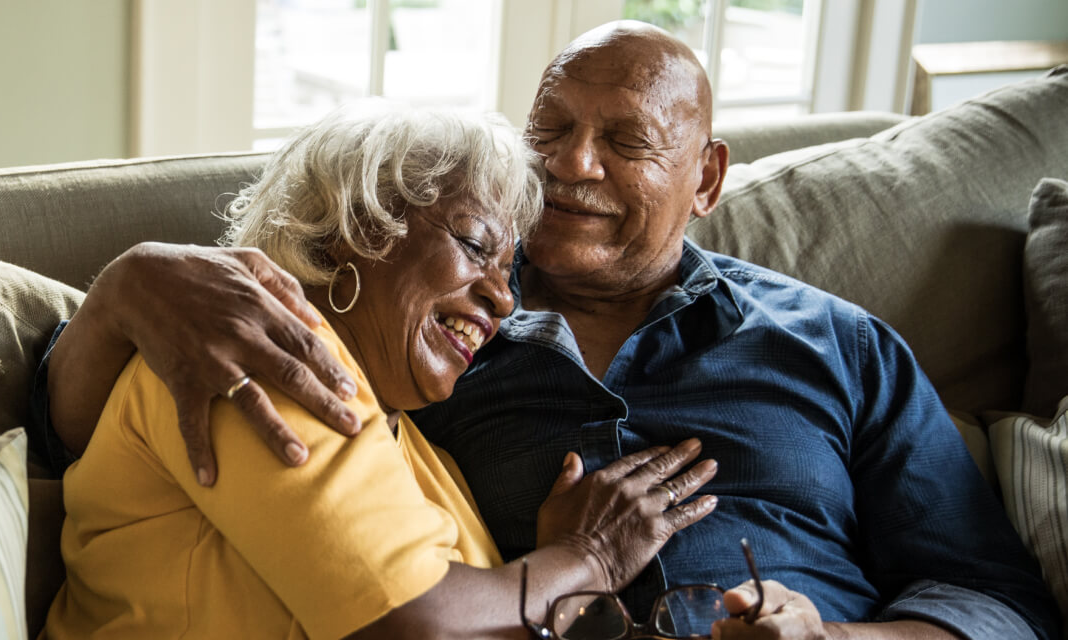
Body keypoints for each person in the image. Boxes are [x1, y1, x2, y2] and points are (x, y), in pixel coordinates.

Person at [34, 21, 1061, 640]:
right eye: (552, 131)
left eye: (626, 140)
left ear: (706, 177)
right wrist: (125, 289)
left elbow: (998, 600)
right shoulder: (411, 338)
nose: (572, 166)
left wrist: (827, 635)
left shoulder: (839, 345)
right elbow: (76, 425)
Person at [40, 101, 724, 639]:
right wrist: (587, 558)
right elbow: (416, 623)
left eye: (508, 272)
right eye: (474, 245)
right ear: (357, 228)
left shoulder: (429, 460)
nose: (504, 297)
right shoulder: (252, 351)